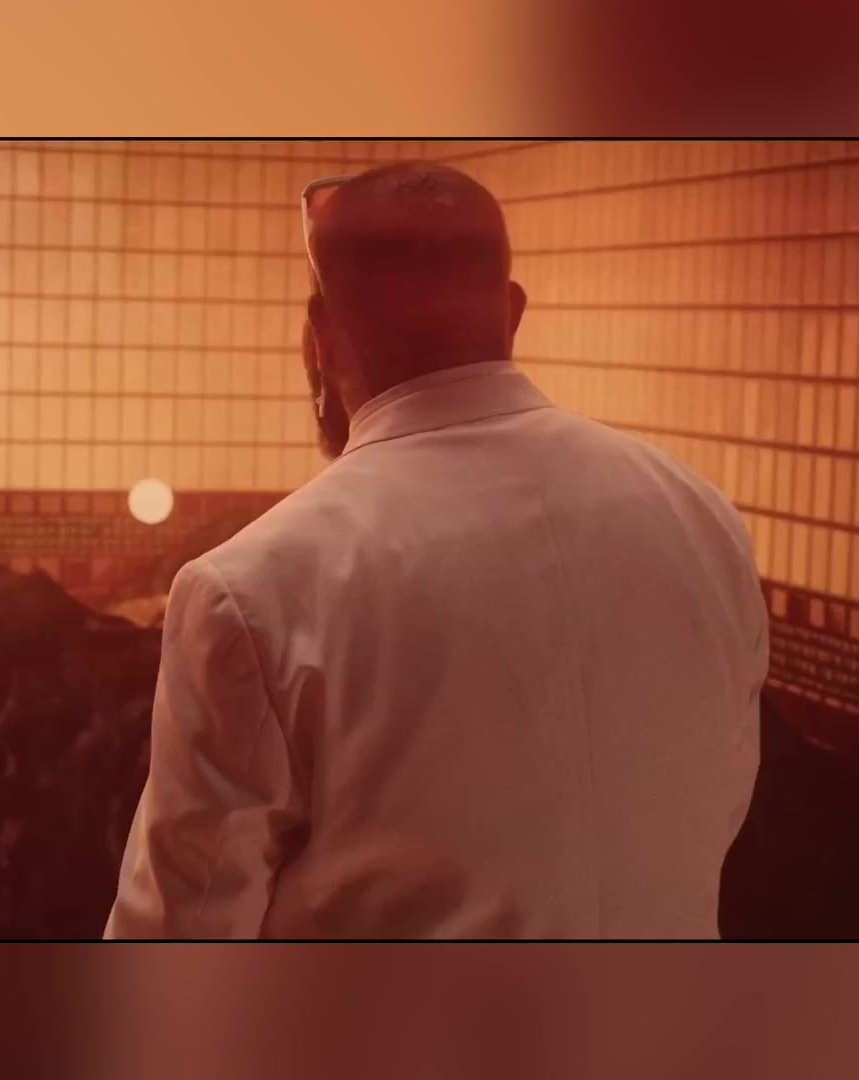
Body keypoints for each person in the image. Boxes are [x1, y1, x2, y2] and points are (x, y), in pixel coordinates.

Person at [103, 162, 767, 939]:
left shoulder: (250, 591)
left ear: (319, 337)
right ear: (512, 313)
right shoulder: (702, 519)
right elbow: (720, 808)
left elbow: (183, 935)